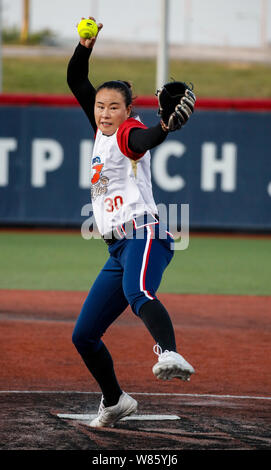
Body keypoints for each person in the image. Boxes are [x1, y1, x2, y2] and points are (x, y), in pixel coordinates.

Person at [67, 17, 196, 428]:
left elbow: (141, 142)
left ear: (128, 110)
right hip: (118, 247)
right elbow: (75, 79)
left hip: (144, 233)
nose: (104, 112)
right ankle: (115, 400)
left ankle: (169, 351)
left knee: (137, 289)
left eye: (113, 107)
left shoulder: (128, 131)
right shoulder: (102, 131)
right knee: (83, 336)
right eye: (100, 106)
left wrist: (163, 127)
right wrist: (85, 45)